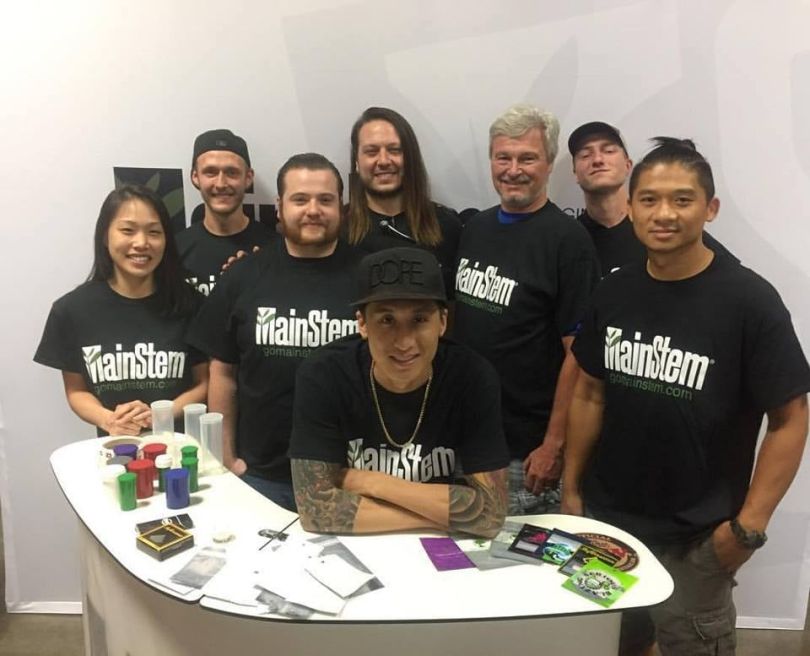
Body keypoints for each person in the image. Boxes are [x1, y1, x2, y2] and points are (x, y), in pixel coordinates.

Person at [562, 137, 810, 656]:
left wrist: (748, 528)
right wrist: (572, 489)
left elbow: (790, 419)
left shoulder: (749, 300)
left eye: (682, 199)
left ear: (710, 208)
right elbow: (588, 393)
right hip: (608, 524)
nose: (664, 214)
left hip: (698, 539)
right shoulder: (614, 290)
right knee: (613, 642)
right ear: (631, 208)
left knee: (691, 645)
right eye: (649, 199)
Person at [289, 247, 509, 537]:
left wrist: (372, 483)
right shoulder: (324, 374)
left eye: (419, 320)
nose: (404, 343)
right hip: (358, 546)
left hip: (433, 546)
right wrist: (441, 516)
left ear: (442, 322)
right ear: (362, 323)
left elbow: (491, 516)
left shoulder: (472, 376)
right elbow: (315, 513)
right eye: (387, 320)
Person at [186, 153, 360, 511]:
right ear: (279, 207)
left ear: (341, 208)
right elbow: (223, 372)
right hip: (261, 477)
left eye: (325, 200)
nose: (313, 210)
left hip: (351, 477)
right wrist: (226, 457)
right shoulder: (242, 276)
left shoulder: (369, 277)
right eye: (300, 199)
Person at [452, 104, 600, 515]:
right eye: (503, 157)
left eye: (527, 158)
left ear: (549, 164)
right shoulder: (475, 229)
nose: (513, 170)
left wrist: (554, 444)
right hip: (464, 440)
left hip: (526, 456)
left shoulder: (568, 241)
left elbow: (580, 355)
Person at [34, 185, 208, 436]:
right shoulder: (71, 310)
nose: (141, 243)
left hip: (181, 449)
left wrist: (161, 414)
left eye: (154, 232)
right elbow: (76, 391)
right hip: (113, 451)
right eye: (128, 230)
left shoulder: (192, 305)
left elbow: (204, 382)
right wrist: (109, 420)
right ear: (105, 236)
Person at [568, 121, 733, 276]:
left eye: (609, 151)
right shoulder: (569, 238)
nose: (598, 160)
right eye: (585, 155)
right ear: (574, 172)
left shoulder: (663, 229)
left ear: (628, 165)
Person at [347, 107, 461, 294]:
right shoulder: (338, 230)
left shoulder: (447, 226)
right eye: (371, 152)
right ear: (357, 162)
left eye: (394, 150)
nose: (384, 161)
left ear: (411, 158)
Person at [176, 129, 275, 295]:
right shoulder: (175, 250)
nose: (221, 183)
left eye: (232, 172)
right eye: (211, 172)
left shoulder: (274, 249)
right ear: (195, 177)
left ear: (248, 178)